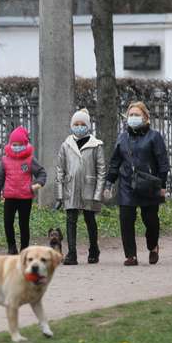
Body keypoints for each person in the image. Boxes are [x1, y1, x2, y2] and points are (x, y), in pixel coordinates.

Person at [104, 101, 170, 266]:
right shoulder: (122, 137)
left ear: (146, 118)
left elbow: (162, 162)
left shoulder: (154, 136)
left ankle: (153, 246)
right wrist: (109, 183)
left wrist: (162, 185)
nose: (133, 118)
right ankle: (130, 255)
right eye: (131, 115)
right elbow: (115, 162)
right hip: (127, 184)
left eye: (137, 115)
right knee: (126, 219)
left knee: (151, 220)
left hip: (149, 184)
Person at [54, 109, 107, 265]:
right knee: (71, 220)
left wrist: (98, 194)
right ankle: (72, 253)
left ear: (88, 126)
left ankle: (94, 249)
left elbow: (101, 170)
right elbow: (59, 170)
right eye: (76, 124)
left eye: (82, 124)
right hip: (71, 188)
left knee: (90, 219)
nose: (79, 127)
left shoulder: (96, 144)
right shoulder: (66, 145)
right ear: (72, 125)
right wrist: (59, 194)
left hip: (88, 188)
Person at [0, 126, 47, 254]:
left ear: (25, 144)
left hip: (25, 198)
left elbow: (42, 173)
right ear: (10, 144)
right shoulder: (5, 161)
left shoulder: (30, 160)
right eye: (14, 144)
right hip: (10, 197)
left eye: (20, 144)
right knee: (8, 222)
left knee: (23, 224)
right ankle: (11, 247)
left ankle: (24, 249)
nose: (17, 147)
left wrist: (38, 184)